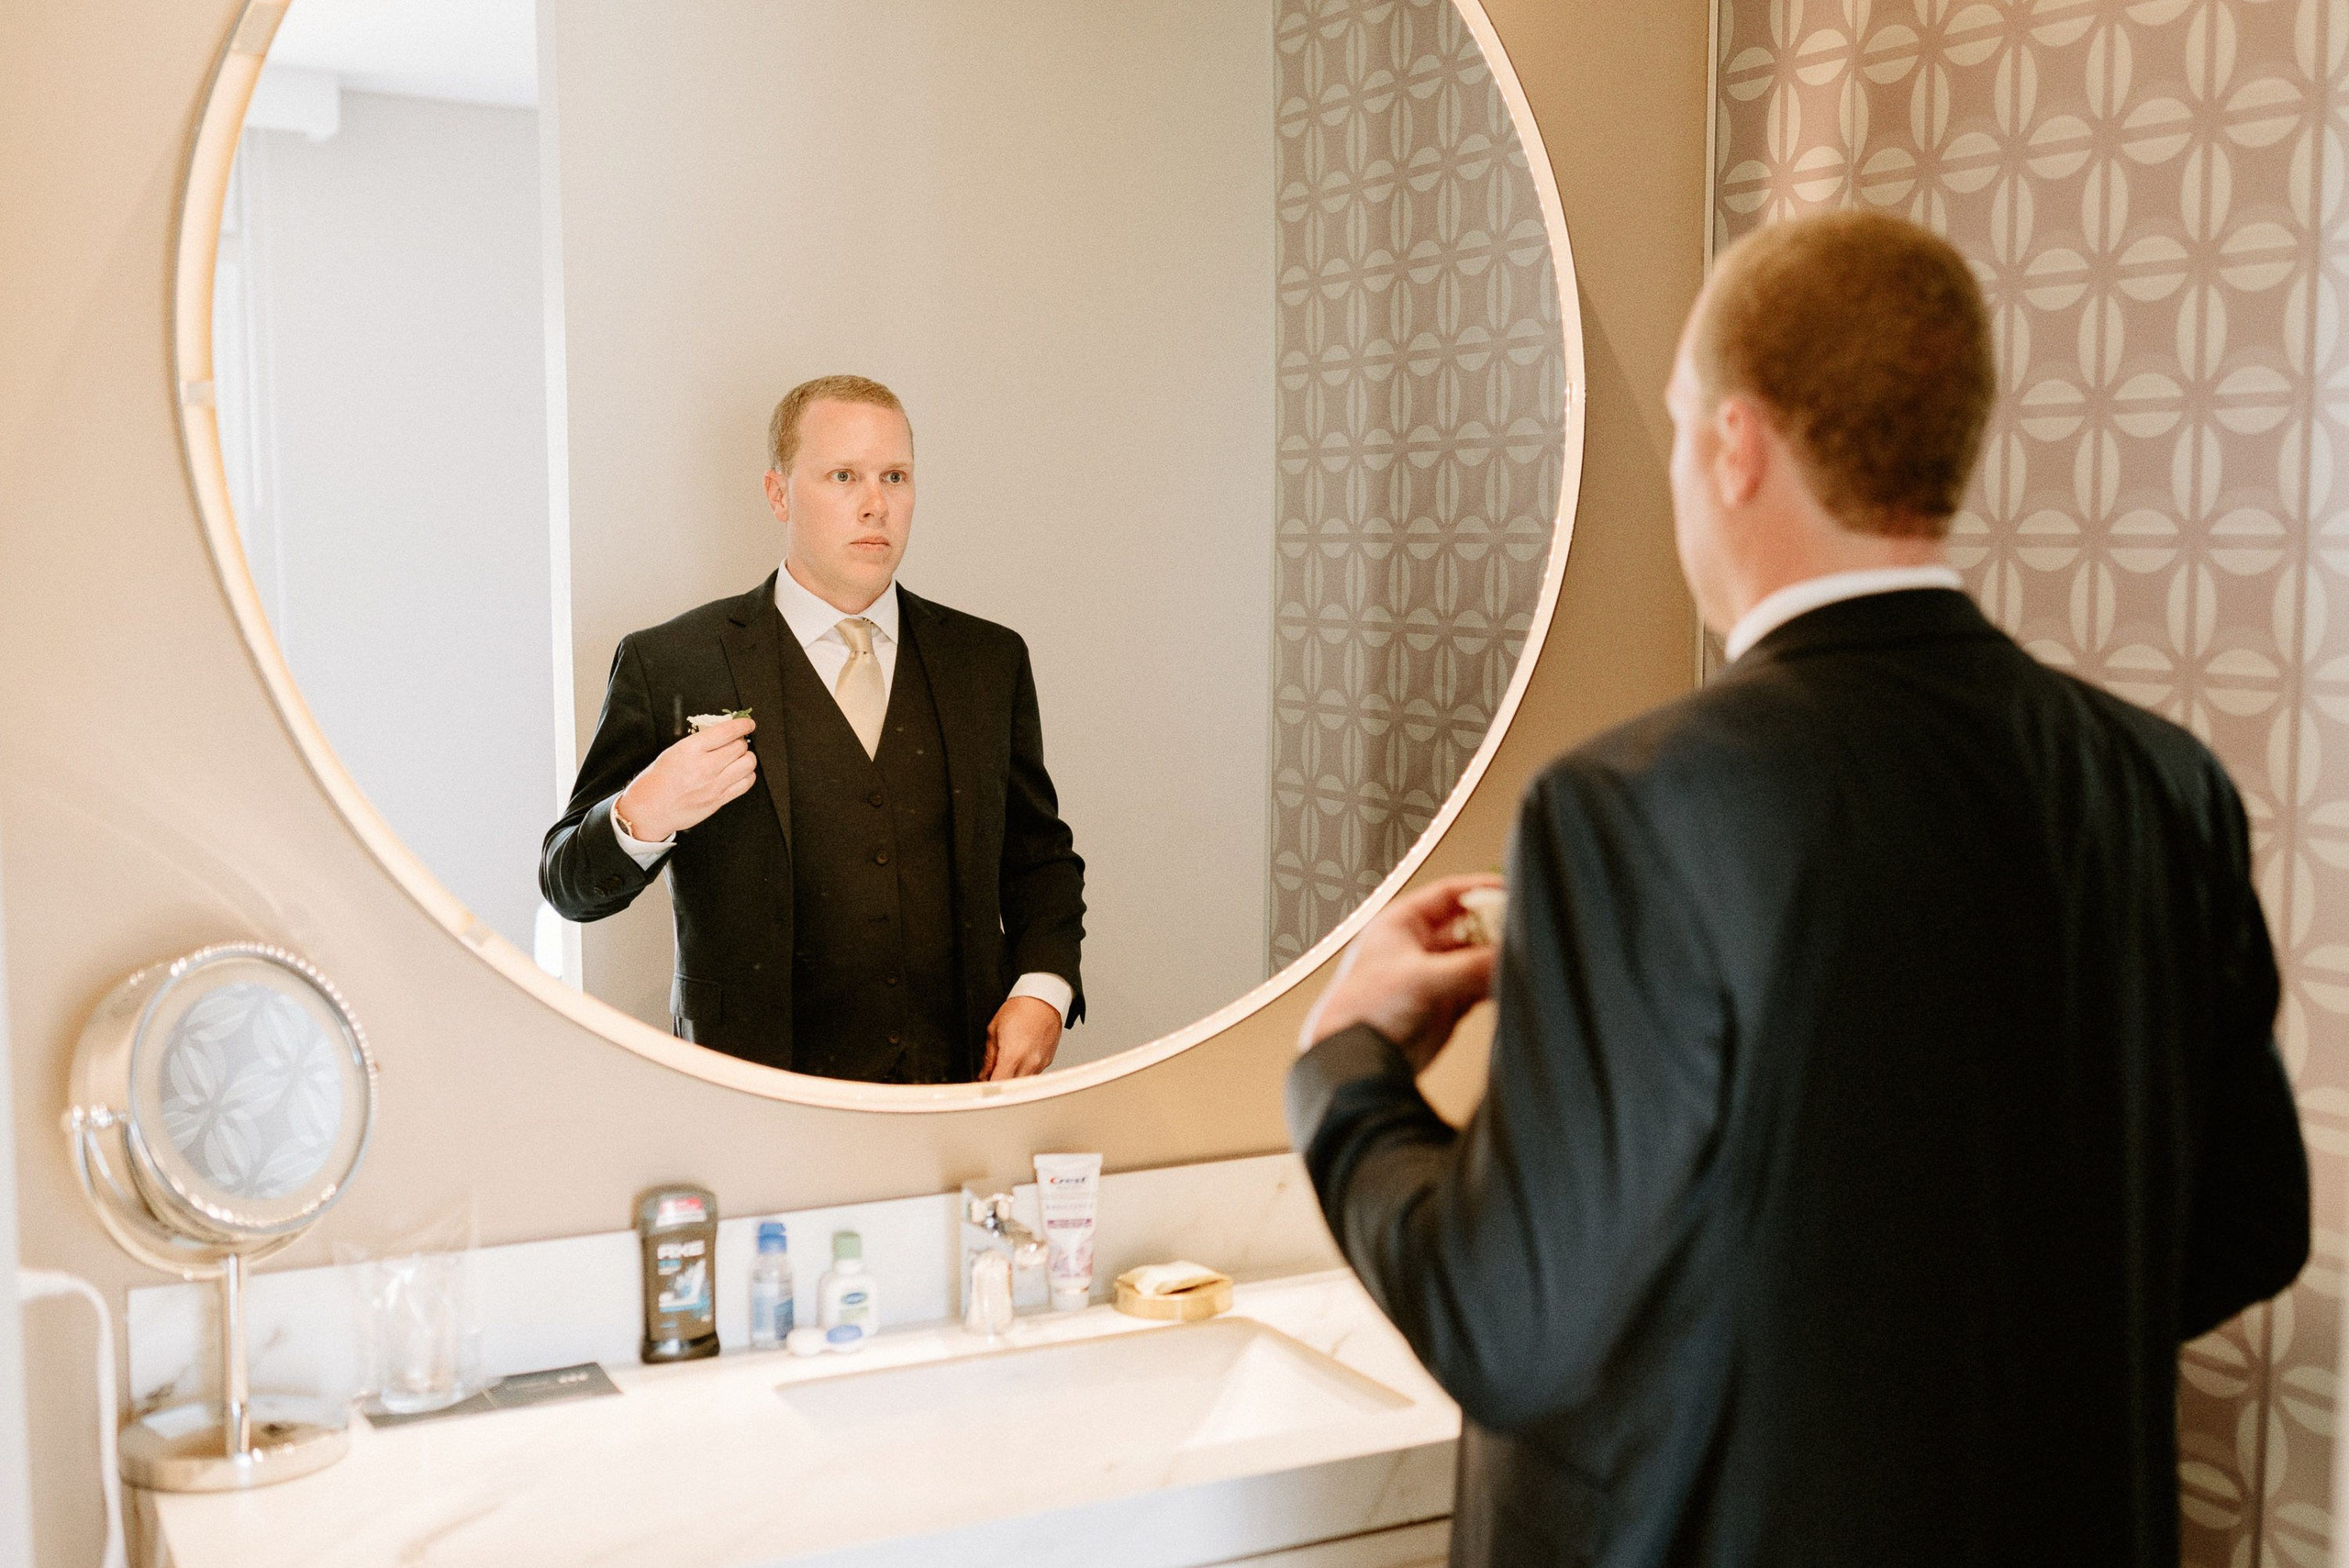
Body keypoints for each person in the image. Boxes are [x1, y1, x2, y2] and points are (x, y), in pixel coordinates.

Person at [1286, 212, 2310, 1566]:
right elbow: (2247, 1226)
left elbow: (1511, 1329)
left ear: (1735, 443)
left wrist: (1346, 1066)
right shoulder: (2161, 782)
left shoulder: (1636, 805)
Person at [541, 374, 1084, 1084]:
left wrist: (1043, 990)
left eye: (895, 475)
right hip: (753, 1091)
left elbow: (1039, 858)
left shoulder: (987, 661)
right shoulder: (671, 660)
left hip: (959, 1079)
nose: (876, 503)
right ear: (778, 493)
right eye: (843, 475)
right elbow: (568, 884)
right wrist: (642, 815)